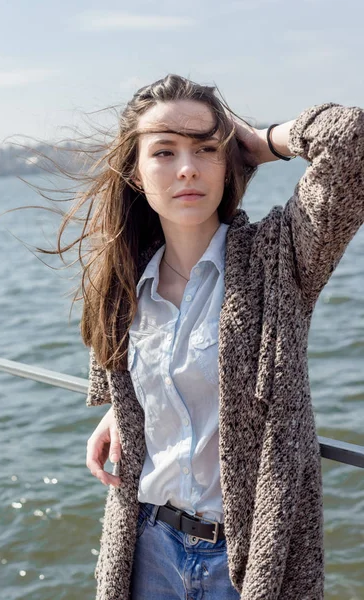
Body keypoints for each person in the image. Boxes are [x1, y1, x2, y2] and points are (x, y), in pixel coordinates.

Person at [78, 74, 364, 599]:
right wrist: (131, 402)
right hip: (146, 547)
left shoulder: (278, 259)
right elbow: (130, 370)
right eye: (164, 151)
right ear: (136, 173)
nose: (187, 167)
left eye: (206, 148)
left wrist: (260, 142)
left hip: (248, 560)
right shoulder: (121, 280)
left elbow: (351, 142)